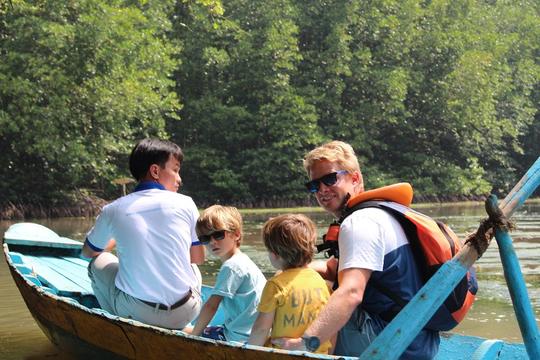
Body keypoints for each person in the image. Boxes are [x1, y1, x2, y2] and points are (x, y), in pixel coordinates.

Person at [273, 141, 439, 359]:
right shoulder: (380, 214)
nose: (322, 189)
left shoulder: (359, 223)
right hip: (417, 338)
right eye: (314, 185)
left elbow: (351, 293)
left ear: (355, 178)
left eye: (330, 179)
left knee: (307, 297)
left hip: (391, 343)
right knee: (314, 284)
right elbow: (334, 269)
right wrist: (291, 273)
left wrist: (305, 344)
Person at [81, 138, 204, 330]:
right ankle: (182, 326)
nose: (179, 179)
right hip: (186, 312)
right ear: (155, 171)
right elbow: (197, 258)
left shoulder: (113, 210)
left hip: (137, 313)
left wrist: (116, 240)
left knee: (96, 264)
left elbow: (89, 252)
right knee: (193, 268)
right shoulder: (187, 203)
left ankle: (118, 324)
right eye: (176, 170)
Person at [248, 214, 332, 354]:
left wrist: (247, 352)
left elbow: (261, 329)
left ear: (275, 254)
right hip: (317, 353)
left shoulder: (275, 285)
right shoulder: (320, 282)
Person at [186, 205, 266, 342]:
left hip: (239, 336)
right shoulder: (243, 260)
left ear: (236, 234)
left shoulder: (232, 266)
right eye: (205, 238)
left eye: (218, 234)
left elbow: (211, 306)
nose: (212, 242)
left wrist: (193, 337)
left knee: (184, 330)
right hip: (252, 332)